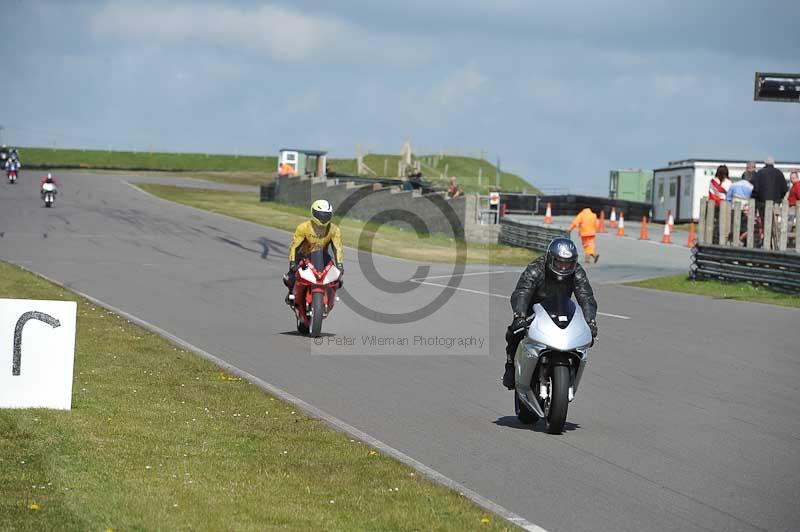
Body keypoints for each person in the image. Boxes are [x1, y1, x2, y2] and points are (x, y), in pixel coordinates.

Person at [502, 238, 598, 389]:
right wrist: (519, 315)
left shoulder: (577, 272)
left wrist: (590, 321)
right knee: (514, 332)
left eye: (568, 264)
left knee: (585, 338)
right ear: (550, 259)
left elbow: (586, 297)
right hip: (534, 310)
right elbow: (522, 292)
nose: (564, 268)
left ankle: (571, 373)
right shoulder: (536, 269)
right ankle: (510, 367)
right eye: (560, 263)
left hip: (561, 311)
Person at [283, 200, 344, 304]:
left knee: (338, 279)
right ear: (313, 213)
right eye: (320, 215)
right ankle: (291, 294)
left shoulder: (334, 230)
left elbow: (337, 248)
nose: (323, 218)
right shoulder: (303, 227)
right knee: (290, 277)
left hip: (322, 256)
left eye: (326, 215)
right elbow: (294, 246)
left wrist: (340, 264)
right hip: (303, 255)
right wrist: (293, 263)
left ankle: (330, 297)